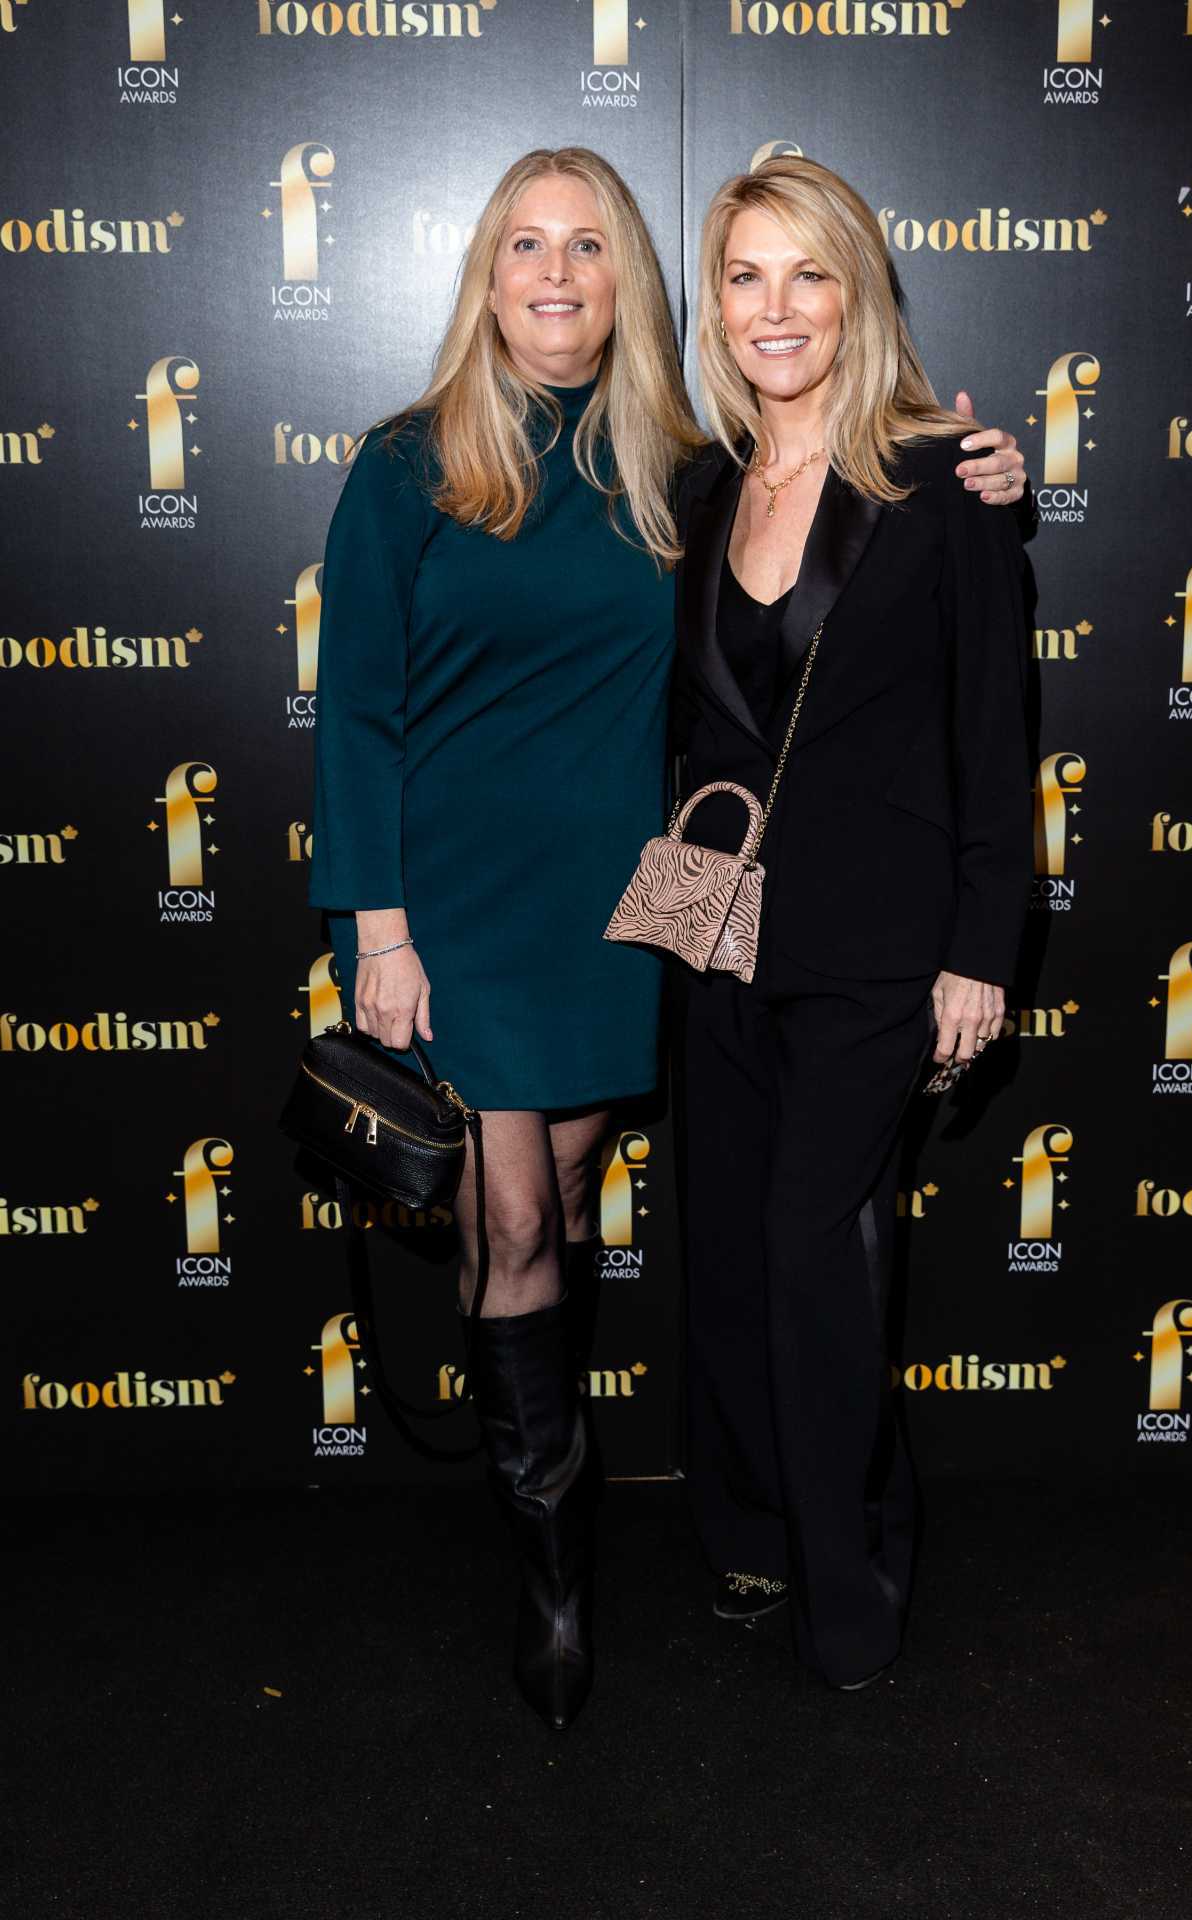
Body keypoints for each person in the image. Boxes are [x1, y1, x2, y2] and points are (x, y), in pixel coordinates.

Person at [308, 143, 1028, 1732]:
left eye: (589, 245)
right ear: (486, 273)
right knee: (514, 1220)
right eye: (525, 245)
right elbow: (351, 707)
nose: (556, 274)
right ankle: (556, 1577)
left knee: (588, 1202)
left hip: (643, 911)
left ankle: (767, 1538)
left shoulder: (672, 466)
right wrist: (377, 925)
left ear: (630, 280)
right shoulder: (411, 463)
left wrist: (988, 461)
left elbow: (895, 587)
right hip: (465, 910)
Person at [675, 155, 1033, 1691]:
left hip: (882, 947)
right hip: (713, 929)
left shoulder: (942, 480)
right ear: (715, 304)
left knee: (812, 1252)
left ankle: (853, 1587)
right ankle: (757, 1526)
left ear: (857, 294)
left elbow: (995, 730)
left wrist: (981, 950)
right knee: (726, 1258)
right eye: (746, 275)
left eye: (808, 273)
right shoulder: (696, 486)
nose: (777, 308)